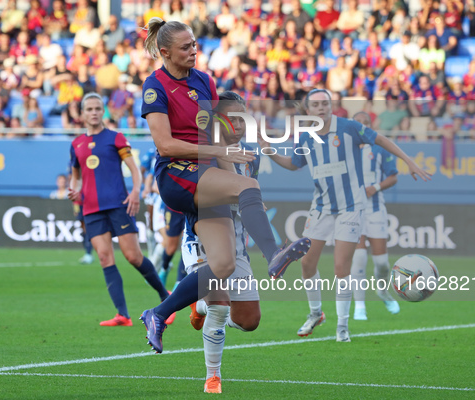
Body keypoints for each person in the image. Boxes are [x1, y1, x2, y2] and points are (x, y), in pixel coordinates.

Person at [139, 18, 309, 354]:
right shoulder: (155, 86)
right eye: (186, 47)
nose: (194, 51)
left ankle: (157, 314)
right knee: (247, 188)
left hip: (207, 174)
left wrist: (236, 177)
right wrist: (228, 164)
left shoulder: (204, 81)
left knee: (223, 265)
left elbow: (217, 136)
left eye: (194, 45)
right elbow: (166, 145)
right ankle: (273, 254)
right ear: (165, 52)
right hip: (176, 174)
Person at [259, 89, 431, 342]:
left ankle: (342, 326)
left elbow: (381, 140)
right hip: (321, 207)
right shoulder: (305, 138)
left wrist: (408, 160)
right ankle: (316, 313)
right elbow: (295, 165)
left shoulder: (349, 127)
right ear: (308, 110)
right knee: (307, 263)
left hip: (351, 207)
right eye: (316, 105)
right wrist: (270, 151)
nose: (321, 108)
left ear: (331, 106)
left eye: (325, 104)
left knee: (342, 268)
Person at [69, 92, 173, 327]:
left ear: (103, 111)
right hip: (92, 209)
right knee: (105, 258)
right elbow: (75, 176)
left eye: (97, 108)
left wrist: (135, 191)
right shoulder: (76, 144)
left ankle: (165, 298)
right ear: (82, 114)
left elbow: (135, 170)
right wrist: (73, 190)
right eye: (89, 109)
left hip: (118, 205)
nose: (94, 112)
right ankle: (123, 315)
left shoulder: (116, 138)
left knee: (133, 257)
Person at [186, 91, 261, 394]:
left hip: (237, 244)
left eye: (243, 116)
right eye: (233, 116)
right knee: (220, 306)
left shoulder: (250, 154)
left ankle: (198, 304)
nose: (239, 122)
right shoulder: (204, 152)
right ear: (218, 119)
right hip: (206, 237)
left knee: (249, 321)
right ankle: (212, 377)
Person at [350, 112, 400, 320]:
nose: (362, 127)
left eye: (366, 124)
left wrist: (375, 187)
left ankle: (382, 290)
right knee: (359, 257)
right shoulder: (344, 149)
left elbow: (393, 177)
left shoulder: (379, 148)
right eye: (358, 124)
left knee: (382, 263)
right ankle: (359, 306)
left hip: (376, 209)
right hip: (353, 210)